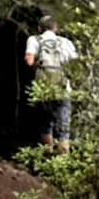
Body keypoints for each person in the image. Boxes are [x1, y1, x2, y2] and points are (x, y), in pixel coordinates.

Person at [24, 14, 79, 152]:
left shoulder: (34, 39)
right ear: (56, 28)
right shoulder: (66, 42)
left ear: (39, 28)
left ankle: (47, 156)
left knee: (45, 124)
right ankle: (63, 162)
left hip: (43, 89)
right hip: (63, 88)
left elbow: (29, 60)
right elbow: (75, 64)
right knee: (64, 126)